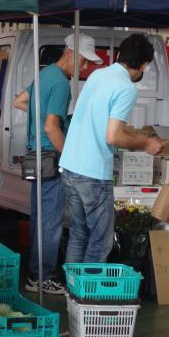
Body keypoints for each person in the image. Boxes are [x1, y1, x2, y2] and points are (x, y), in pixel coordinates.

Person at [59, 34, 164, 264]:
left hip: (70, 165)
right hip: (93, 172)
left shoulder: (98, 74)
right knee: (101, 239)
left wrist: (134, 135)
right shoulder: (126, 87)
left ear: (118, 55)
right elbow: (113, 136)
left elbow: (100, 123)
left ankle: (74, 291)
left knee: (78, 233)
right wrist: (145, 143)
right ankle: (88, 296)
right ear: (144, 65)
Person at [13, 33, 103, 295]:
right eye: (84, 62)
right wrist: (70, 156)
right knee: (50, 223)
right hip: (51, 156)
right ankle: (41, 277)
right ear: (71, 53)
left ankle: (35, 274)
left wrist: (40, 121)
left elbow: (20, 101)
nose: (85, 68)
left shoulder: (44, 75)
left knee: (40, 218)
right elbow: (52, 127)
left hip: (35, 154)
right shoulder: (61, 83)